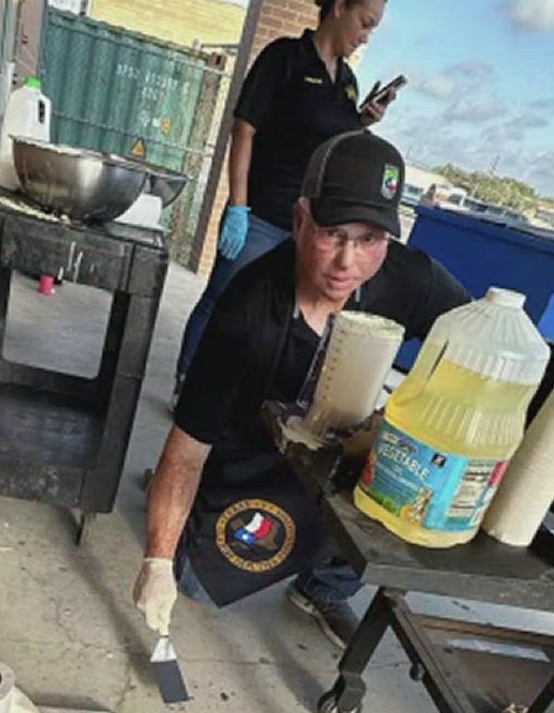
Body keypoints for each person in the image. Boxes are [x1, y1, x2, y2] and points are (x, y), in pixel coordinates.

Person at [133, 131, 472, 649]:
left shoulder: (412, 278)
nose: (347, 263)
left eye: (369, 240)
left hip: (348, 449)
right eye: (333, 234)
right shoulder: (248, 307)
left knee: (400, 496)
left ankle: (324, 585)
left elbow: (475, 339)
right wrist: (156, 560)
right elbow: (188, 443)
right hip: (258, 452)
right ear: (299, 220)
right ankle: (178, 514)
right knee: (196, 584)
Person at [173, 0, 400, 399]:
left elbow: (333, 141)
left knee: (277, 311)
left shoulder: (346, 80)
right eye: (365, 23)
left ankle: (243, 393)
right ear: (339, 7)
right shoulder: (285, 57)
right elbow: (244, 130)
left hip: (309, 227)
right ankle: (188, 385)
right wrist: (239, 206)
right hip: (260, 213)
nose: (366, 36)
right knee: (223, 302)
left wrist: (362, 121)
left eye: (374, 30)